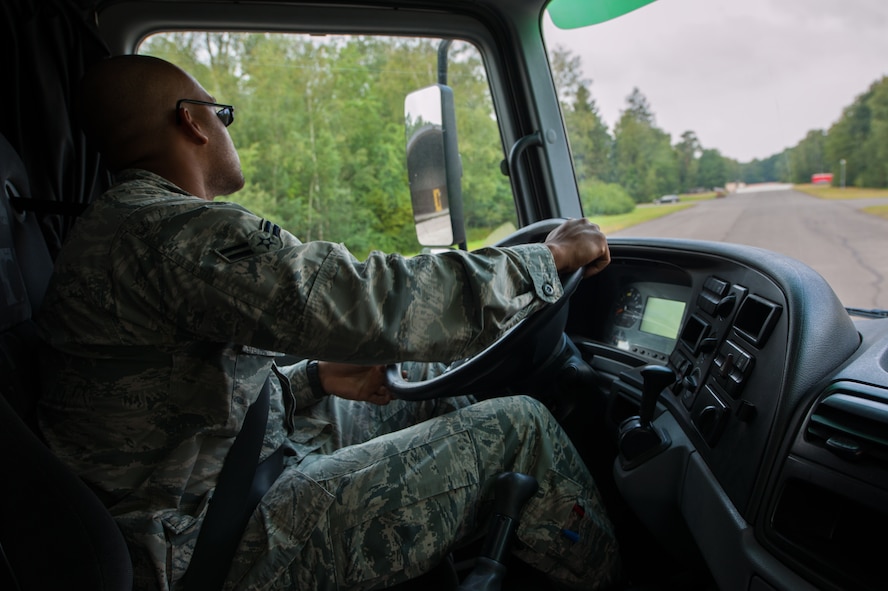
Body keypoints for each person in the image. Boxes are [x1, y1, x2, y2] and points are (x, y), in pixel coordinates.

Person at [36, 54, 620, 591]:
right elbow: (373, 304)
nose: (224, 129)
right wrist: (547, 258)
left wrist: (312, 381)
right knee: (519, 429)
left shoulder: (119, 229)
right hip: (206, 546)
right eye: (223, 115)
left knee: (431, 377)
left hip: (211, 495)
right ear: (192, 121)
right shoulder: (169, 233)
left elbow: (176, 409)